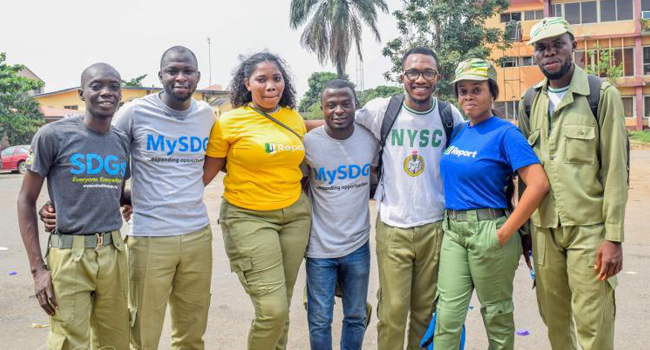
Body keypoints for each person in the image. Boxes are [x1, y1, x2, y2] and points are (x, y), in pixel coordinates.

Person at [39, 46, 216, 350]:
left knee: (192, 331)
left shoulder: (206, 115)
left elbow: (209, 165)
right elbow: (100, 153)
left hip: (197, 234)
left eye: (188, 71)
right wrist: (61, 203)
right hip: (149, 236)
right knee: (142, 334)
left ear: (198, 76)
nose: (180, 77)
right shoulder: (134, 112)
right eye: (172, 71)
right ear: (160, 75)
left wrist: (135, 195)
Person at [518, 18, 628, 350]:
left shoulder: (600, 95)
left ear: (573, 46)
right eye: (541, 47)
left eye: (557, 44)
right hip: (544, 230)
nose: (549, 53)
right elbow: (524, 174)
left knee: (594, 325)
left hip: (589, 231)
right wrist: (525, 232)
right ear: (535, 55)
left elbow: (615, 171)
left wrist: (614, 238)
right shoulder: (529, 101)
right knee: (555, 322)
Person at [434, 58, 549, 350]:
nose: (469, 97)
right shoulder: (461, 131)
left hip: (490, 232)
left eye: (477, 90)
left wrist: (505, 232)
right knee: (446, 317)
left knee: (496, 316)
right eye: (463, 91)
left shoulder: (505, 133)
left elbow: (538, 184)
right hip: (453, 233)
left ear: (492, 93)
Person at [354, 47, 464, 350]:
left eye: (428, 72)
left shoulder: (448, 115)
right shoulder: (382, 110)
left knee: (425, 310)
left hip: (435, 226)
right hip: (393, 224)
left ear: (438, 78)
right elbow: (339, 125)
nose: (420, 78)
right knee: (392, 309)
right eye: (413, 72)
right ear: (402, 76)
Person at [17, 63, 130, 350]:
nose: (106, 92)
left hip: (114, 254)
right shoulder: (52, 135)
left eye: (114, 86)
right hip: (69, 255)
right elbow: (25, 200)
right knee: (69, 342)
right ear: (82, 93)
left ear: (120, 94)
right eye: (97, 86)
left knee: (115, 341)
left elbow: (110, 193)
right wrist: (38, 271)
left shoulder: (120, 141)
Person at [202, 52, 311, 350]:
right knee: (272, 309)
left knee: (282, 306)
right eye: (261, 79)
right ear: (247, 83)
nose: (271, 85)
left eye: (276, 78)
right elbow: (204, 175)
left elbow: (317, 130)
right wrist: (143, 199)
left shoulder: (292, 118)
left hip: (296, 216)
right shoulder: (230, 122)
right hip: (248, 218)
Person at [303, 79, 378, 350]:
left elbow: (377, 176)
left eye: (346, 103)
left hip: (358, 247)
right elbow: (299, 185)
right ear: (321, 108)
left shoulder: (369, 140)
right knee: (319, 318)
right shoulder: (309, 143)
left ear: (355, 106)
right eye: (331, 105)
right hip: (319, 249)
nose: (339, 110)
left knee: (356, 316)